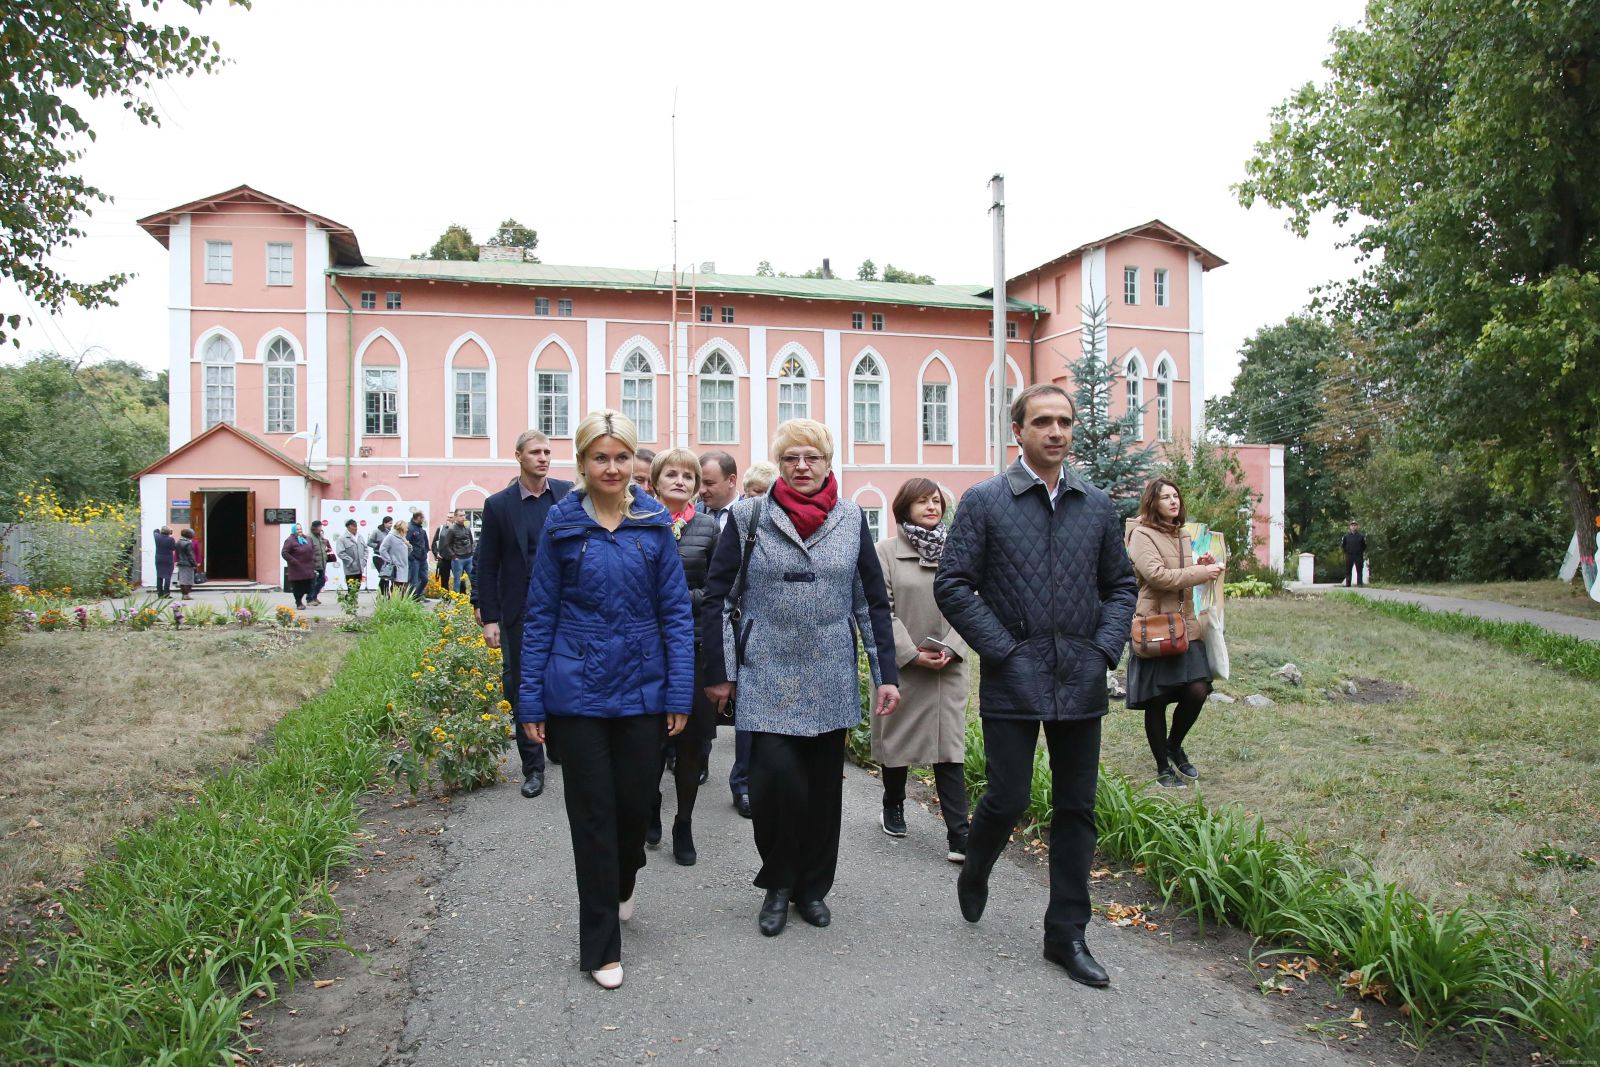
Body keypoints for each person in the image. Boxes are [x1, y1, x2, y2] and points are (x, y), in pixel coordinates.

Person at [933, 383, 1137, 988]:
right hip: (1013, 677)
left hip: (1080, 675)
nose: (1056, 431)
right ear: (1016, 430)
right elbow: (954, 585)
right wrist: (1005, 650)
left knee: (1076, 807)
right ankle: (977, 865)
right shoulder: (986, 501)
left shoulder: (1096, 505)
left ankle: (1066, 934)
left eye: (1065, 422)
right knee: (1010, 796)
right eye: (1042, 421)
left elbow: (1121, 586)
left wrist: (1102, 649)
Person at [701, 418, 899, 937]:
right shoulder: (748, 517)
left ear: (828, 462)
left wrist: (886, 676)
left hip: (829, 670)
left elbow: (871, 602)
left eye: (812, 457)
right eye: (792, 458)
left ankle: (812, 887)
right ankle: (778, 882)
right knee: (772, 786)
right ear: (780, 464)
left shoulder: (853, 518)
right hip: (766, 669)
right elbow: (720, 598)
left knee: (819, 792)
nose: (802, 466)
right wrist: (721, 672)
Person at [519, 410, 693, 990]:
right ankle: (600, 947)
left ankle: (623, 879)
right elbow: (539, 614)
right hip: (579, 690)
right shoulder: (563, 526)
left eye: (621, 457)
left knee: (633, 807)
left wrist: (678, 690)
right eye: (601, 458)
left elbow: (675, 613)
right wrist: (532, 702)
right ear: (583, 463)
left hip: (644, 688)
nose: (612, 468)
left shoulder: (652, 524)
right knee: (591, 815)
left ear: (632, 462)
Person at [873, 478, 971, 862]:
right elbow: (882, 609)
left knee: (949, 748)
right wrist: (910, 654)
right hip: (903, 666)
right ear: (904, 508)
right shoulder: (884, 552)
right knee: (897, 743)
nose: (931, 507)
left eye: (936, 501)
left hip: (949, 665)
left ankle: (958, 834)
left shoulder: (959, 552)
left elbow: (971, 603)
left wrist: (952, 647)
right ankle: (893, 802)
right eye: (922, 501)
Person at [478, 429, 573, 798]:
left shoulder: (567, 495)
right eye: (535, 452)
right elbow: (488, 564)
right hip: (521, 611)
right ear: (518, 456)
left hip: (565, 608)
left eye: (548, 451)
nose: (543, 458)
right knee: (523, 686)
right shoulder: (499, 505)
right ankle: (532, 768)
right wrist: (490, 617)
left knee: (563, 677)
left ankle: (560, 746)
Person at [1125, 479, 1226, 789]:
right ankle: (1161, 767)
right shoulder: (1141, 535)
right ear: (1152, 503)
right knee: (1157, 699)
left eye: (1175, 496)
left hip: (1185, 623)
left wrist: (1199, 563)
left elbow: (1179, 571)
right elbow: (1157, 576)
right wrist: (1200, 573)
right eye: (1165, 497)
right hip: (1155, 624)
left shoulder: (1181, 533)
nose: (1173, 501)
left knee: (1198, 690)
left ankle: (1174, 745)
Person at [646, 448, 721, 865]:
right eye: (671, 474)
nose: (680, 481)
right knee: (651, 740)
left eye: (688, 476)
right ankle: (651, 802)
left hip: (695, 648)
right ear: (655, 482)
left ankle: (685, 822)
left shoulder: (710, 529)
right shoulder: (641, 524)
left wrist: (673, 599)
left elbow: (720, 589)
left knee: (692, 743)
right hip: (648, 649)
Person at [698, 449, 751, 818]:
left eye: (709, 483)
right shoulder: (693, 519)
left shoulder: (753, 518)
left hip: (743, 623)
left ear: (732, 481)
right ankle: (697, 755)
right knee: (704, 697)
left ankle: (743, 784)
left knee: (746, 710)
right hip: (705, 620)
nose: (701, 490)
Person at [281, 523, 318, 609]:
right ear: (293, 530)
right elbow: (284, 553)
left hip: (308, 567)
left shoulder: (308, 539)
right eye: (297, 529)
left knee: (308, 586)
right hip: (297, 568)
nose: (299, 531)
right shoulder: (290, 540)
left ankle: (306, 599)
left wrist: (313, 559)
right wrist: (293, 561)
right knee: (298, 586)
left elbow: (312, 549)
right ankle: (298, 602)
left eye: (300, 529)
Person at [441, 511, 476, 593]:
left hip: (468, 557)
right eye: (461, 516)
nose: (463, 517)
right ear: (456, 517)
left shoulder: (467, 528)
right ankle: (456, 601)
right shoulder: (451, 529)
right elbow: (446, 544)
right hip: (458, 559)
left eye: (464, 515)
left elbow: (471, 541)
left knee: (473, 578)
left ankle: (476, 598)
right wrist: (454, 556)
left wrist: (472, 553)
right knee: (457, 581)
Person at [377, 521, 410, 598]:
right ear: (401, 528)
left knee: (402, 587)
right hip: (396, 566)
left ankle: (399, 604)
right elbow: (382, 549)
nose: (407, 529)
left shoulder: (402, 537)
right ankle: (392, 603)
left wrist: (408, 545)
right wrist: (390, 560)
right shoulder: (391, 536)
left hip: (404, 565)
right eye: (406, 528)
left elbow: (406, 552)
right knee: (396, 586)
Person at [335, 518, 368, 594]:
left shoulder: (359, 537)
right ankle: (350, 604)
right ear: (348, 527)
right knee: (351, 588)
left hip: (360, 567)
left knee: (357, 588)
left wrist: (364, 560)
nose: (356, 527)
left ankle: (352, 603)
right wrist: (350, 561)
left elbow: (365, 549)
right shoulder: (342, 538)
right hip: (350, 568)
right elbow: (340, 552)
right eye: (353, 526)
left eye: (356, 525)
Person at [307, 519, 332, 606]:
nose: (321, 529)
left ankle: (314, 596)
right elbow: (308, 550)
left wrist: (326, 546)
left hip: (322, 562)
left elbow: (322, 549)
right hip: (314, 564)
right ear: (314, 528)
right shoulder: (309, 537)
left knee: (322, 580)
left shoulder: (320, 536)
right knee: (313, 582)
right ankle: (310, 599)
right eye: (319, 527)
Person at [406, 511, 430, 600]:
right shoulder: (409, 528)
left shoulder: (421, 530)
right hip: (414, 559)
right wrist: (411, 556)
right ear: (418, 518)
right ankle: (411, 599)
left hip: (423, 559)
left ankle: (417, 596)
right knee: (413, 581)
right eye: (422, 518)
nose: (423, 520)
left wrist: (425, 552)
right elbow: (405, 543)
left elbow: (426, 543)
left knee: (425, 579)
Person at [433, 511, 455, 591]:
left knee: (460, 579)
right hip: (444, 558)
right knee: (444, 580)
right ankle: (445, 599)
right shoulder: (441, 528)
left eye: (451, 517)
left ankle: (461, 599)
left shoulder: (459, 528)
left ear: (455, 518)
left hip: (456, 558)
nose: (448, 519)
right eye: (448, 517)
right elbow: (434, 542)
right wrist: (436, 553)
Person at [152, 526, 177, 598]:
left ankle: (160, 594)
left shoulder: (157, 537)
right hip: (168, 559)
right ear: (168, 532)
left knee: (159, 576)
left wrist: (164, 530)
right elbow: (173, 548)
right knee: (167, 577)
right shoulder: (171, 539)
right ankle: (166, 594)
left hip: (159, 558)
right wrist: (170, 533)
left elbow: (155, 530)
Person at [1341, 520, 1367, 587]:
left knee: (1359, 570)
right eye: (1352, 525)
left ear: (1357, 526)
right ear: (1350, 527)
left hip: (1358, 555)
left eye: (1355, 525)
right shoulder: (1346, 537)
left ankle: (1359, 584)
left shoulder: (1361, 536)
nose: (1353, 527)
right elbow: (1343, 545)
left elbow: (1364, 546)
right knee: (1348, 570)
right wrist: (1347, 552)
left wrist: (1360, 551)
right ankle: (1348, 584)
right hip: (1349, 555)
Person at [175, 528, 199, 599]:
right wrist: (194, 563)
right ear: (189, 535)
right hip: (188, 564)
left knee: (182, 579)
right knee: (188, 580)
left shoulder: (179, 542)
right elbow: (190, 555)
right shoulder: (188, 543)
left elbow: (177, 553)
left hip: (181, 563)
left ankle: (183, 594)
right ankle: (186, 594)